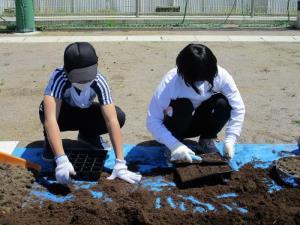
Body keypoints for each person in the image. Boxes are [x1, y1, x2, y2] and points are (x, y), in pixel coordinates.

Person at [39, 42, 141, 185]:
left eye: (88, 76)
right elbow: (51, 120)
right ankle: (51, 144)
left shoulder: (99, 80)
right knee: (46, 111)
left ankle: (89, 136)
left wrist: (120, 163)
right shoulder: (59, 78)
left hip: (84, 111)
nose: (84, 81)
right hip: (63, 115)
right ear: (67, 71)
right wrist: (61, 158)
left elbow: (112, 120)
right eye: (79, 77)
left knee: (118, 115)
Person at [146, 43, 245, 163]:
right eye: (198, 80)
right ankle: (174, 146)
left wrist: (230, 139)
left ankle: (206, 141)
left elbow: (238, 107)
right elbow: (152, 121)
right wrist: (174, 145)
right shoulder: (170, 83)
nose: (202, 84)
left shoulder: (220, 75)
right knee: (184, 105)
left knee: (222, 103)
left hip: (198, 122)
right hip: (175, 123)